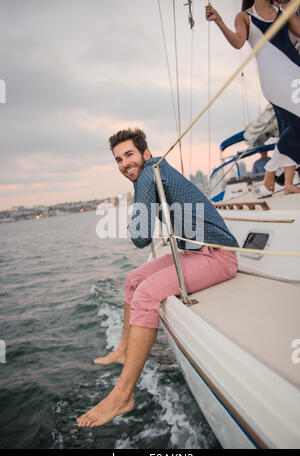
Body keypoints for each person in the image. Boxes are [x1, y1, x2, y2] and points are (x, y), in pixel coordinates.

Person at [77, 128, 239, 428]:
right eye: (118, 159)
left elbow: (140, 238)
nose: (125, 163)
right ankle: (125, 349)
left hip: (218, 256)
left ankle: (123, 395)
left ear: (145, 153)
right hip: (193, 252)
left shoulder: (149, 173)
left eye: (129, 155)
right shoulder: (152, 171)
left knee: (147, 294)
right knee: (133, 280)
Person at [205, 0, 300, 194]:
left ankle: (286, 180)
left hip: (295, 70)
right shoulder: (244, 17)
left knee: (294, 124)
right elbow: (238, 42)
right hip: (273, 80)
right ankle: (271, 168)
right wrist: (218, 21)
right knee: (296, 122)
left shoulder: (283, 9)